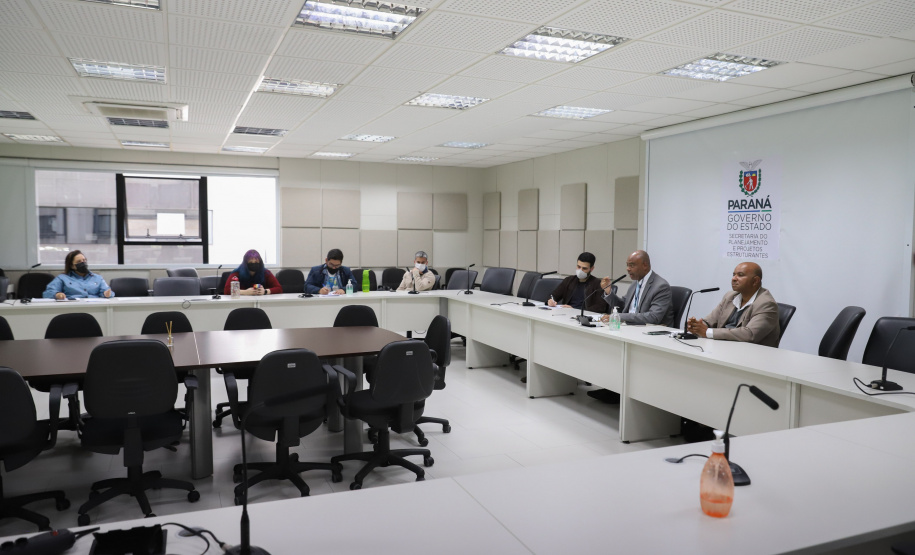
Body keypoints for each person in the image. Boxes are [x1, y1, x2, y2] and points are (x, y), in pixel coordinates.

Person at [686, 261, 780, 347]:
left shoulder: (766, 304)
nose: (734, 279)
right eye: (733, 274)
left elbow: (750, 334)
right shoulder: (730, 296)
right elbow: (710, 321)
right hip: (724, 348)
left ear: (755, 281)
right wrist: (696, 326)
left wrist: (708, 332)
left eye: (740, 275)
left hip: (752, 356)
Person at [599, 250, 675, 327]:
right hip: (632, 326)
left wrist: (620, 316)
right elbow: (622, 307)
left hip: (653, 330)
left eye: (631, 265)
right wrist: (608, 292)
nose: (628, 269)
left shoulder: (661, 286)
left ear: (645, 265)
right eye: (627, 265)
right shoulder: (635, 283)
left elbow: (654, 317)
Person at [43, 250, 114, 299]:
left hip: (95, 307)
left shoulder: (97, 278)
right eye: (79, 261)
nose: (83, 263)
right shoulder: (62, 278)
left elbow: (108, 292)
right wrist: (57, 295)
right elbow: (47, 293)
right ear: (72, 265)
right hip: (72, 307)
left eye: (84, 260)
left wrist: (107, 294)